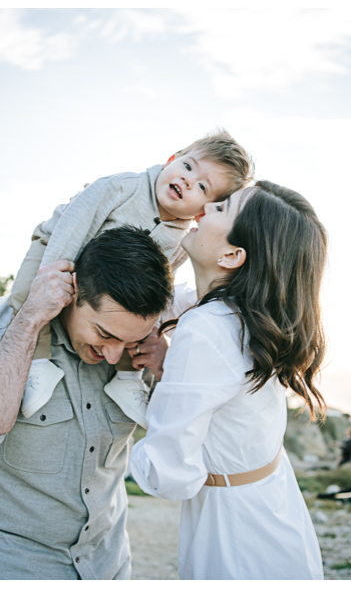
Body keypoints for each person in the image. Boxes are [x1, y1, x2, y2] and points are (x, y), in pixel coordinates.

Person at [0, 228, 173, 580]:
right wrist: (30, 320)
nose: (112, 355)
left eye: (127, 341)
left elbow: (179, 440)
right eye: (104, 334)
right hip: (8, 565)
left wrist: (167, 371)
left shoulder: (142, 350)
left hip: (106, 565)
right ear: (73, 291)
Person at [128, 180, 327, 580]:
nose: (204, 207)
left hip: (236, 537)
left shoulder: (206, 328)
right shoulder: (245, 319)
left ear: (233, 254)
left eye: (222, 208)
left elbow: (168, 475)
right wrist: (172, 370)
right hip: (272, 510)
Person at [8, 131, 253, 427]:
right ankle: (38, 361)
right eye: (188, 167)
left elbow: (159, 286)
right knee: (27, 294)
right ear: (171, 160)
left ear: (203, 212)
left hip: (113, 294)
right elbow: (72, 229)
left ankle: (128, 378)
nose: (188, 180)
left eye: (202, 186)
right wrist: (54, 279)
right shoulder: (122, 188)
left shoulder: (184, 240)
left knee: (137, 320)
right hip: (58, 249)